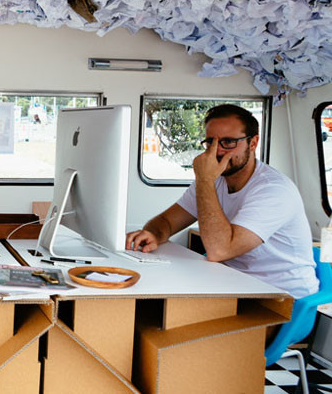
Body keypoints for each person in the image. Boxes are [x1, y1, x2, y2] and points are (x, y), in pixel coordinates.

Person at [126, 104, 318, 299]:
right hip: (231, 284)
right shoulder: (214, 180)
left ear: (253, 143)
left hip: (280, 298)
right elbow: (166, 221)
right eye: (210, 142)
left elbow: (219, 250)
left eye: (228, 142)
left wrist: (205, 179)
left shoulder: (274, 190)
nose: (216, 151)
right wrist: (153, 234)